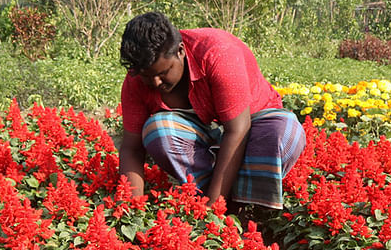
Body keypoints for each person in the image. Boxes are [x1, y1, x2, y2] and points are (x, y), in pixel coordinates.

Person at [117, 11, 305, 211]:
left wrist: (214, 210)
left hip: (253, 124)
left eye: (163, 73)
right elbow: (132, 148)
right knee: (158, 132)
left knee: (284, 134)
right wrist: (131, 208)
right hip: (203, 136)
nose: (155, 82)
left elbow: (238, 130)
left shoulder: (217, 53)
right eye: (147, 76)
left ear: (180, 51)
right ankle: (204, 192)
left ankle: (244, 203)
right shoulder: (136, 80)